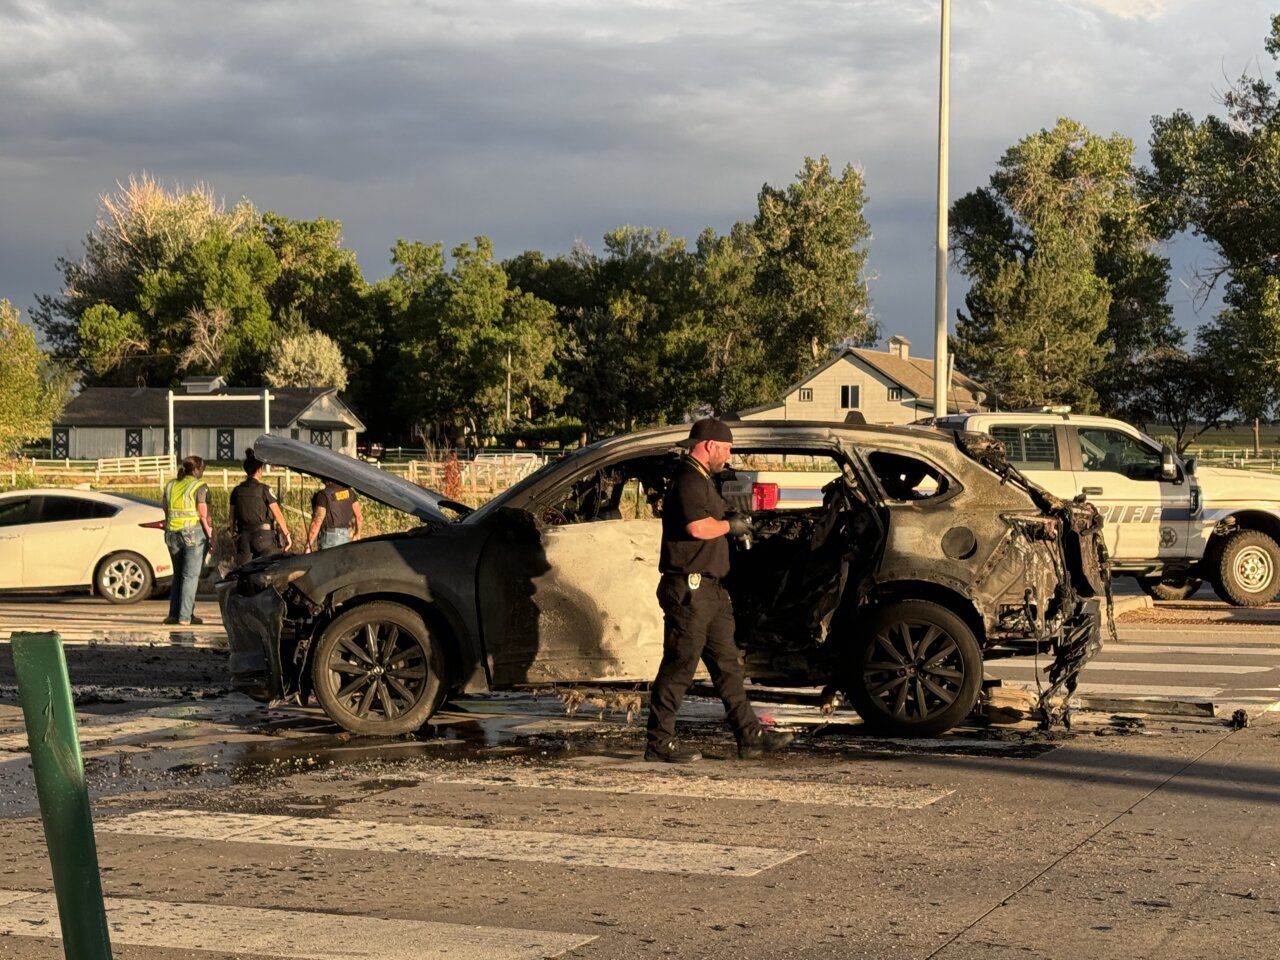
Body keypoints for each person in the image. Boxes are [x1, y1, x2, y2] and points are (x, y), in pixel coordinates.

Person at [644, 418, 794, 763]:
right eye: (726, 449)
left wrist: (735, 520)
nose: (728, 456)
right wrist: (729, 525)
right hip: (689, 588)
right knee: (680, 665)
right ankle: (659, 741)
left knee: (728, 665)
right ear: (709, 445)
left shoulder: (703, 479)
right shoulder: (687, 479)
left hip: (711, 589)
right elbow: (697, 527)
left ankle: (750, 735)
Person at [163, 455, 213, 626]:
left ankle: (173, 615)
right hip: (192, 533)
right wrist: (211, 536)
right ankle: (185, 617)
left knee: (178, 575)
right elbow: (204, 514)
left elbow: (165, 508)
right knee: (190, 576)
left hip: (171, 534)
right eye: (203, 469)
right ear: (197, 469)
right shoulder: (200, 486)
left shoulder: (171, 485)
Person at [228, 448, 292, 565]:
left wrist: (233, 537)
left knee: (245, 573)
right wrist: (286, 535)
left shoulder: (236, 491)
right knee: (269, 572)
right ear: (258, 470)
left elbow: (231, 519)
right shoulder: (264, 489)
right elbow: (277, 514)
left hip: (244, 538)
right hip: (264, 539)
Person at [306, 477, 363, 551]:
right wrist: (357, 534)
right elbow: (359, 517)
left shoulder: (323, 495)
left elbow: (317, 522)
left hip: (329, 539)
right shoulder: (350, 492)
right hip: (346, 537)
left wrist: (308, 546)